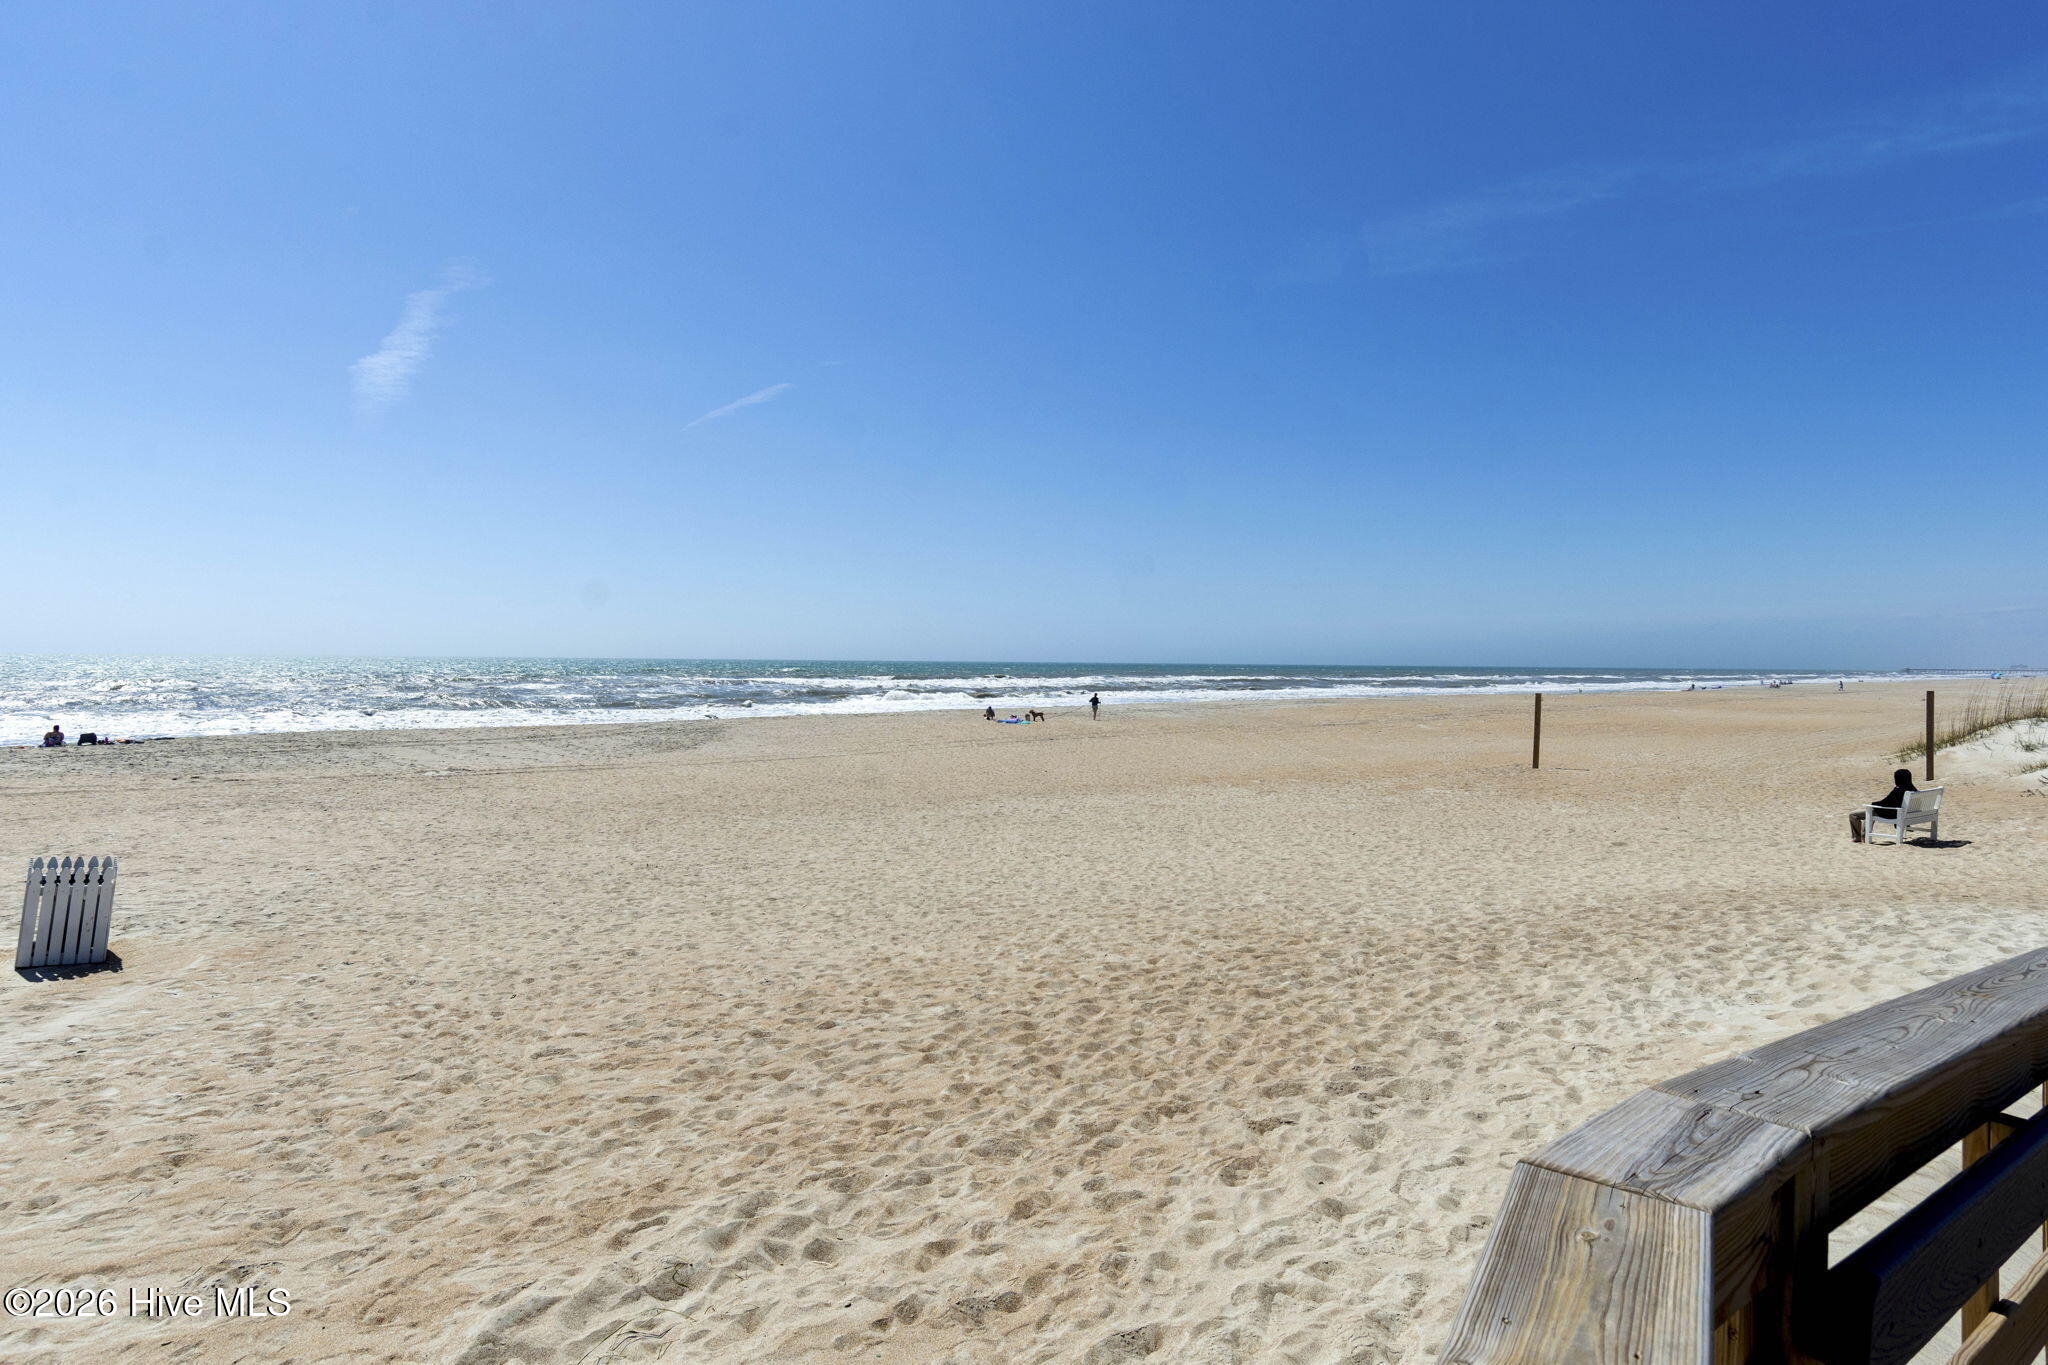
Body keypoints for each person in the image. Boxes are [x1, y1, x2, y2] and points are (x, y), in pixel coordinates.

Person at [1850, 768, 1918, 843]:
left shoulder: (1899, 790)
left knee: (1854, 815)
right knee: (1870, 811)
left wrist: (1873, 804)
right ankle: (1863, 836)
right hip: (1905, 814)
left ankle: (1860, 837)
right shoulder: (1913, 789)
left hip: (1892, 814)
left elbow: (1885, 802)